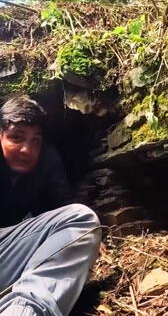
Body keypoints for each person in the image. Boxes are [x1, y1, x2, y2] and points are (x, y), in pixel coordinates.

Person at [0, 96, 101, 316]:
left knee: (81, 220)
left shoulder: (48, 160)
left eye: (35, 140)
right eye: (16, 138)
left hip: (7, 252)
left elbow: (62, 203)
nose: (27, 149)